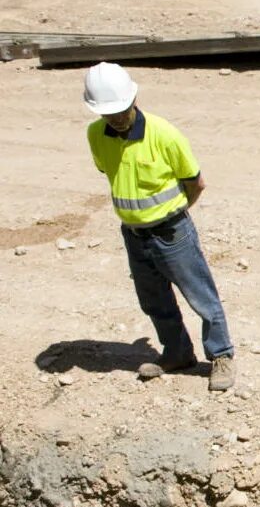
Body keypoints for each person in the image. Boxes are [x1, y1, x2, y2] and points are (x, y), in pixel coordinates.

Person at [83, 62, 236, 392]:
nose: (117, 118)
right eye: (109, 114)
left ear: (133, 98)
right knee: (154, 301)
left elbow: (196, 183)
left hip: (172, 231)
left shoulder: (164, 134)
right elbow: (110, 174)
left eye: (121, 111)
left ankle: (221, 355)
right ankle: (177, 352)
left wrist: (173, 215)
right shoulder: (96, 135)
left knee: (202, 298)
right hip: (134, 235)